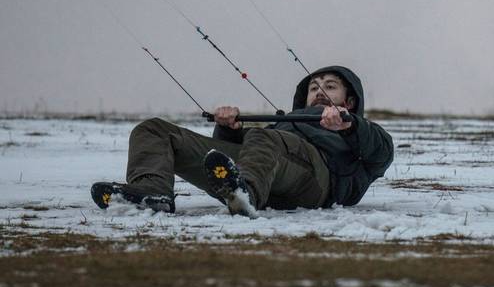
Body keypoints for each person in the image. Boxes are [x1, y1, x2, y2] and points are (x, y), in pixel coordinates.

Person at [91, 65, 394, 217]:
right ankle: (153, 195)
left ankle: (244, 193)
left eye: (330, 86)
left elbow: (383, 152)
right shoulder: (282, 127)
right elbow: (232, 154)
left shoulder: (360, 132)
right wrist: (229, 130)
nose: (319, 92)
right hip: (267, 168)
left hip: (314, 186)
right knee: (153, 129)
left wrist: (349, 124)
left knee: (264, 136)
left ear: (350, 101)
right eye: (313, 87)